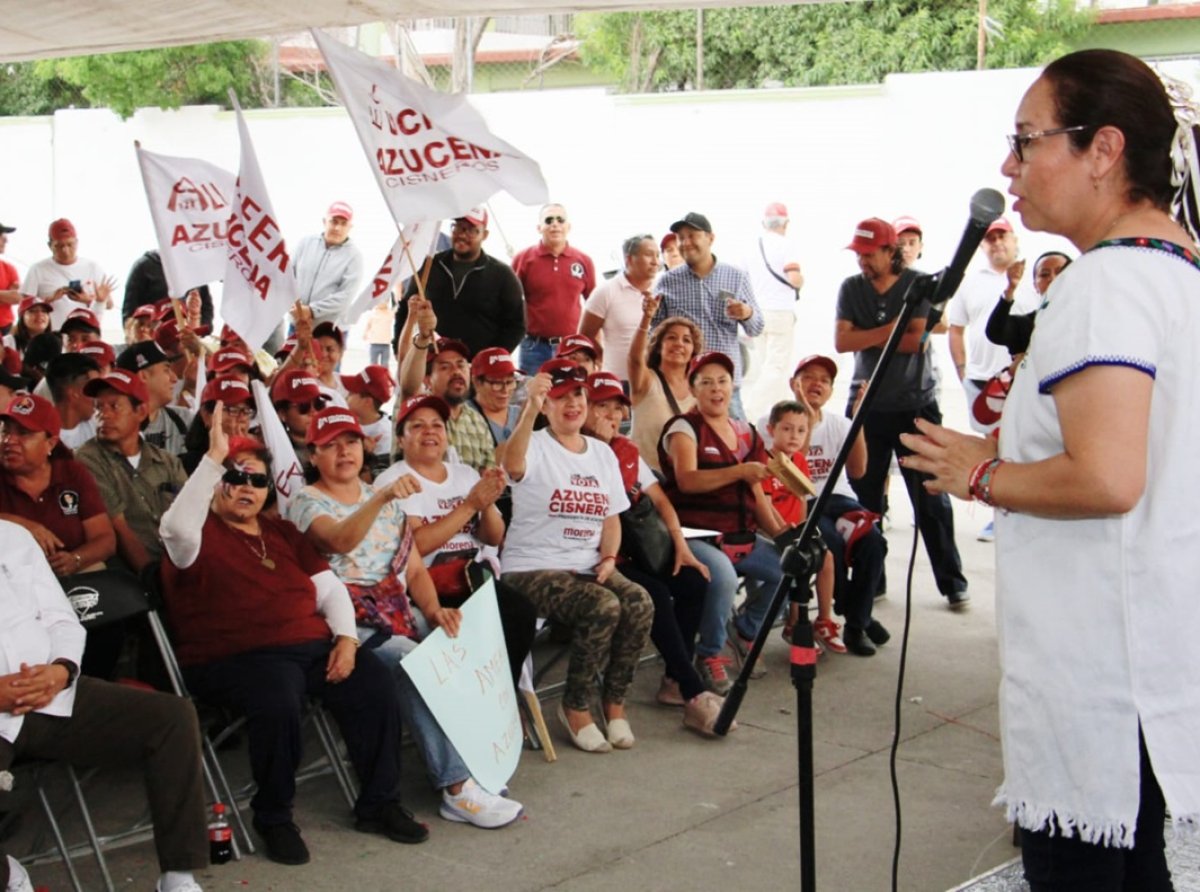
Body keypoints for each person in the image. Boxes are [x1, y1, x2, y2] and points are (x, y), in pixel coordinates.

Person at [900, 49, 1200, 891]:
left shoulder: (1105, 286)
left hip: (1104, 679)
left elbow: (1107, 478)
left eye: (1026, 140)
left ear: (1103, 150)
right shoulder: (1178, 273)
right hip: (1158, 661)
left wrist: (981, 475)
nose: (1009, 165)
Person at [160, 413, 428, 865]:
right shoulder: (196, 534)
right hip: (236, 657)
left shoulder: (280, 532)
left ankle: (379, 804)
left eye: (257, 480)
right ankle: (274, 816)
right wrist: (211, 461)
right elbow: (174, 529)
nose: (246, 487)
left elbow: (329, 589)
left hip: (309, 647)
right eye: (235, 476)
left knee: (373, 682)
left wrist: (346, 640)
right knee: (279, 697)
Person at [288, 406, 525, 829]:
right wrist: (379, 497)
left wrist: (434, 611)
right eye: (331, 445)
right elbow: (339, 541)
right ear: (313, 456)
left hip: (396, 606)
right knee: (413, 665)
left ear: (364, 447)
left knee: (461, 635)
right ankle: (456, 788)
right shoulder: (307, 501)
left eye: (351, 441)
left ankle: (476, 756)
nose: (344, 451)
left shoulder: (385, 500)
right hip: (346, 622)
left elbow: (413, 568)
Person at [0, 521, 208, 892]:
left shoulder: (12, 538)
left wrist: (62, 669)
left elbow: (60, 617)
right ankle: (7, 874)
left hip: (54, 695)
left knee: (171, 718)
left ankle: (178, 875)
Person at [500, 360, 653, 753]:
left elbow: (612, 516)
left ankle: (614, 704)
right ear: (546, 406)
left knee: (638, 602)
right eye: (560, 397)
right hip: (532, 567)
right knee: (602, 606)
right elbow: (511, 465)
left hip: (588, 563)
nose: (572, 403)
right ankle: (575, 706)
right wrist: (529, 408)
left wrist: (609, 557)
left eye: (578, 395)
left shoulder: (602, 453)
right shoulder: (532, 443)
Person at [580, 373, 730, 736]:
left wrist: (679, 544)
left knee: (694, 580)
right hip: (592, 554)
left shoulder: (626, 449)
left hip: (638, 549)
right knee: (656, 594)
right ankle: (694, 690)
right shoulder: (573, 450)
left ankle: (674, 682)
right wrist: (601, 449)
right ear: (583, 407)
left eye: (617, 408)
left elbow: (660, 500)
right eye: (602, 406)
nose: (611, 416)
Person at [834, 217, 969, 610]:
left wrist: (877, 333)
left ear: (890, 251)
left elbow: (916, 342)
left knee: (931, 497)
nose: (862, 261)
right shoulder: (850, 287)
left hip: (915, 406)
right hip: (867, 404)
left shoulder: (919, 283)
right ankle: (872, 580)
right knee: (866, 498)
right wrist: (894, 328)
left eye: (869, 253)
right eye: (858, 254)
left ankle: (952, 581)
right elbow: (843, 341)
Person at [376, 394, 537, 685]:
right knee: (499, 620)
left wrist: (487, 501)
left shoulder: (464, 474)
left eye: (437, 425)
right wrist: (470, 505)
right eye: (418, 426)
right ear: (400, 439)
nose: (430, 432)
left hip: (472, 577)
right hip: (424, 583)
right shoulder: (394, 480)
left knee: (520, 612)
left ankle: (502, 695)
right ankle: (488, 698)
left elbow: (493, 536)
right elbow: (416, 546)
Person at [657, 351, 786, 677]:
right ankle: (710, 654)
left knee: (789, 568)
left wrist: (785, 537)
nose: (716, 389)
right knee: (724, 576)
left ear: (733, 386)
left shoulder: (747, 432)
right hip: (694, 535)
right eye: (707, 382)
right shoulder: (683, 428)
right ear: (693, 389)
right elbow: (687, 480)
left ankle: (746, 630)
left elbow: (757, 493)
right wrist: (739, 471)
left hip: (741, 535)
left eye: (723, 381)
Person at [788, 356, 889, 656]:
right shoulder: (779, 419)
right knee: (828, 545)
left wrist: (858, 419)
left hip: (840, 498)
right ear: (794, 384)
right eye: (809, 377)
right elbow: (795, 475)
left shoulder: (839, 424)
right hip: (804, 500)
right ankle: (859, 615)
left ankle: (856, 624)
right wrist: (804, 416)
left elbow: (858, 472)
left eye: (824, 380)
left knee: (872, 541)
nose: (816, 384)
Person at [650, 212, 763, 420]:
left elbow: (756, 328)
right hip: (683, 388)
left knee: (738, 447)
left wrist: (747, 313)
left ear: (710, 238)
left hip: (725, 388)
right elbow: (654, 336)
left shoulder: (736, 277)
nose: (686, 243)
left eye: (692, 235)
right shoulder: (666, 281)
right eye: (681, 237)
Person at [76, 369, 187, 573]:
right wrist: (152, 577)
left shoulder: (167, 462)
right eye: (98, 407)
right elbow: (119, 528)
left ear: (141, 412)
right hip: (131, 573)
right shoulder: (87, 460)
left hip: (181, 564)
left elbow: (189, 517)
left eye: (114, 406)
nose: (104, 415)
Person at [0, 393, 116, 577]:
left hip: (71, 576)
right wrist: (22, 526)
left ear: (50, 443)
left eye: (23, 433)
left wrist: (75, 559)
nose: (9, 441)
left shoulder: (72, 473)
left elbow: (105, 540)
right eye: (5, 431)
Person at [392, 209, 525, 359]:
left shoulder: (502, 275)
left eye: (471, 230)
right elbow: (405, 308)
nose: (462, 235)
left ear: (485, 235)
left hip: (477, 372)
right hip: (434, 365)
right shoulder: (430, 266)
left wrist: (490, 359)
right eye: (458, 227)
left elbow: (516, 326)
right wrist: (398, 347)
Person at [511, 203, 597, 376]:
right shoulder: (523, 259)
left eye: (560, 220)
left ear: (568, 226)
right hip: (533, 347)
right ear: (539, 227)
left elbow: (595, 307)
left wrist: (595, 347)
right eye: (549, 220)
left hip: (572, 349)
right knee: (531, 399)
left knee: (571, 398)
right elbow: (510, 303)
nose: (555, 224)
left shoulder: (584, 261)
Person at [741, 202, 803, 419]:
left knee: (766, 368)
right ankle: (748, 411)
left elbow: (743, 281)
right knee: (776, 368)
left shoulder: (751, 247)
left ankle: (779, 415)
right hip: (780, 313)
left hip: (757, 314)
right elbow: (794, 279)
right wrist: (800, 281)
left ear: (763, 223)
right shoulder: (786, 246)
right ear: (786, 223)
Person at [628, 308, 701, 474]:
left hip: (681, 482)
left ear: (693, 351)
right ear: (659, 346)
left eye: (687, 340)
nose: (679, 344)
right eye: (671, 337)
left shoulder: (698, 391)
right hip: (644, 480)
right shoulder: (647, 380)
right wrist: (646, 318)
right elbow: (634, 359)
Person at [579, 234, 659, 381]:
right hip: (619, 382)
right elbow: (584, 336)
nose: (655, 262)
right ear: (629, 259)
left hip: (655, 384)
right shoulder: (606, 291)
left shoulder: (661, 290)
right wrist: (603, 360)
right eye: (648, 255)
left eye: (658, 255)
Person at [22, 219, 116, 329]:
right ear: (50, 245)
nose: (65, 251)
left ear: (77, 242)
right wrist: (49, 300)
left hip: (84, 333)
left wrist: (87, 299)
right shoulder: (37, 269)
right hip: (51, 335)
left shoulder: (93, 267)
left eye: (70, 245)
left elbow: (109, 305)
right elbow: (24, 308)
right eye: (59, 246)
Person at [292, 201, 364, 329]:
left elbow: (346, 295)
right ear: (324, 222)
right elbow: (288, 278)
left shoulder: (354, 257)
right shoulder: (305, 244)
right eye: (334, 221)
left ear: (350, 227)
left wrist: (312, 311)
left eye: (343, 224)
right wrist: (295, 308)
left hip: (328, 331)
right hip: (297, 324)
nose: (337, 228)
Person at [116, 341, 192, 457]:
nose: (174, 378)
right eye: (166, 370)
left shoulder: (184, 419)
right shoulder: (114, 428)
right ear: (143, 376)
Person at [122, 249, 214, 328]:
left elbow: (206, 310)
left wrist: (196, 331)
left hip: (187, 340)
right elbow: (129, 313)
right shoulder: (144, 266)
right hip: (152, 340)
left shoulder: (195, 269)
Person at [0, 223, 21, 337]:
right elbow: (12, 296)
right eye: (1, 236)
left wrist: (12, 295)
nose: (6, 240)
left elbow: (18, 297)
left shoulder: (9, 268)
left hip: (5, 328)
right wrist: (6, 295)